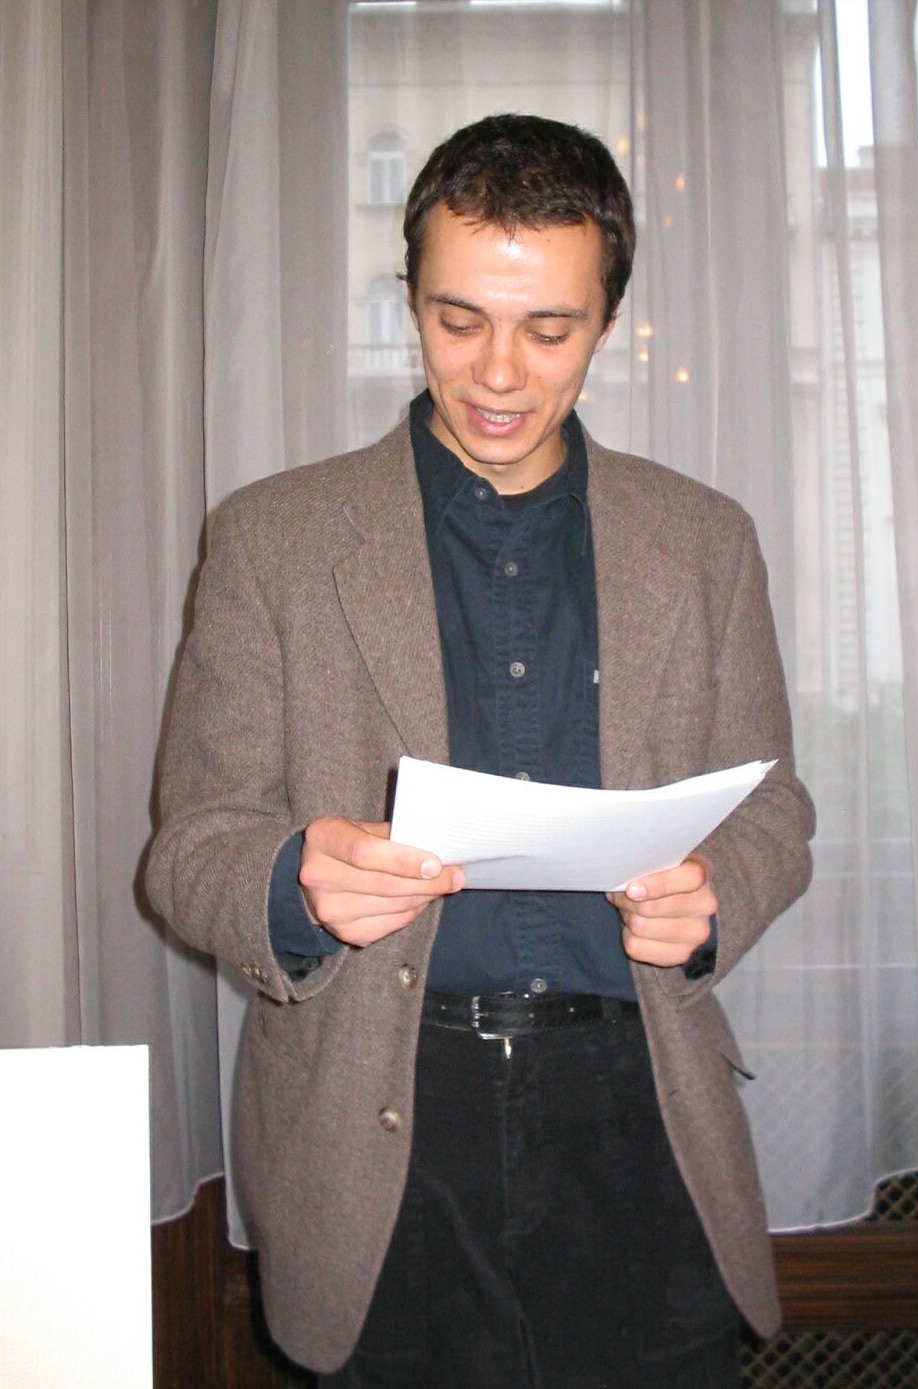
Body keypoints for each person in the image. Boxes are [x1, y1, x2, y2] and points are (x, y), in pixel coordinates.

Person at [147, 113, 814, 1388]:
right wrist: (293, 883)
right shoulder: (272, 538)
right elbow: (188, 852)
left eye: (548, 330)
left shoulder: (703, 539)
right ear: (410, 298)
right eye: (459, 320)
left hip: (640, 1110)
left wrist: (717, 893)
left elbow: (773, 807)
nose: (498, 373)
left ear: (608, 322)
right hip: (374, 1125)